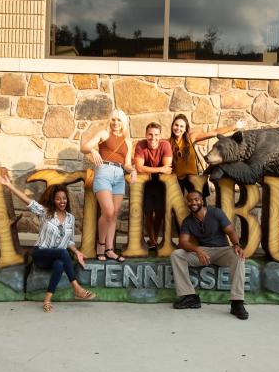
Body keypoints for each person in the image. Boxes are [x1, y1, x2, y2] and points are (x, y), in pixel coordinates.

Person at [0, 175, 96, 313]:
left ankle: (47, 300)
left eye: (64, 198)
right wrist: (9, 185)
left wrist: (77, 252)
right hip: (41, 253)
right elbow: (28, 201)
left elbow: (68, 241)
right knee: (62, 252)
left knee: (59, 264)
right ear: (53, 200)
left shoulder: (70, 218)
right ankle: (77, 288)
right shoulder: (45, 213)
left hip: (57, 256)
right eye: (58, 199)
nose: (62, 201)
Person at [170, 190, 249, 320]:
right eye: (190, 200)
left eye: (196, 199)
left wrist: (236, 245)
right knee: (177, 255)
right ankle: (190, 296)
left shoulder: (215, 212)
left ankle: (237, 302)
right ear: (187, 203)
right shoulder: (188, 221)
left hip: (222, 250)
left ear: (202, 200)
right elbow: (183, 243)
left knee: (238, 256)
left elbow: (231, 231)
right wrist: (197, 250)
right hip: (203, 252)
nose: (193, 202)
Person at [80, 109, 136, 262]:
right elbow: (83, 147)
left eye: (119, 120)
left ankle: (110, 250)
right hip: (103, 172)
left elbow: (127, 164)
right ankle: (101, 245)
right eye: (113, 120)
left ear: (123, 122)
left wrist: (133, 171)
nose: (116, 123)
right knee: (108, 211)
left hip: (119, 175)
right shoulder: (104, 134)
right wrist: (93, 150)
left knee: (115, 213)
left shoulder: (127, 142)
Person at [168, 114, 243, 195]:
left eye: (181, 126)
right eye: (176, 125)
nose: (178, 128)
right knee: (178, 206)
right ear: (172, 126)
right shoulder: (167, 143)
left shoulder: (191, 138)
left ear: (185, 129)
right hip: (177, 180)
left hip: (193, 179)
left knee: (199, 204)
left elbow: (214, 132)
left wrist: (234, 126)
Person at [134, 122, 173, 251]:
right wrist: (160, 168)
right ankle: (152, 241)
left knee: (160, 212)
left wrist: (154, 169)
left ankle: (154, 238)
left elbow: (167, 168)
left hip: (161, 183)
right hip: (146, 183)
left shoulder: (165, 145)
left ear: (160, 136)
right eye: (150, 134)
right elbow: (139, 167)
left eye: (156, 135)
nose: (153, 138)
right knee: (148, 212)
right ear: (146, 135)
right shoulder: (140, 145)